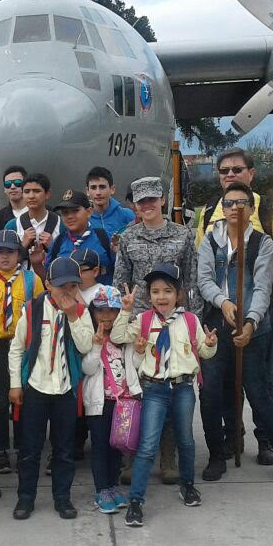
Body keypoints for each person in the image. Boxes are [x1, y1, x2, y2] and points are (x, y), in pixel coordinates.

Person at [196, 182, 273, 482]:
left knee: (258, 391)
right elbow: (204, 279)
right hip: (216, 326)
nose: (235, 208)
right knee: (211, 392)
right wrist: (223, 301)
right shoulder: (210, 241)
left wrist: (250, 323)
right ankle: (216, 454)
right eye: (229, 203)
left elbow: (264, 289)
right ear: (221, 211)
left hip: (253, 329)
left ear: (251, 209)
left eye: (242, 203)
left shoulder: (263, 245)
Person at [111, 176, 201, 484]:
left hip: (174, 323)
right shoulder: (127, 237)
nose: (147, 205)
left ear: (162, 200)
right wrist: (120, 319)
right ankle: (130, 455)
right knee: (135, 391)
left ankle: (168, 457)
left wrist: (193, 324)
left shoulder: (183, 235)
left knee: (171, 389)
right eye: (141, 201)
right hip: (140, 327)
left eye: (153, 199)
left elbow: (190, 281)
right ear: (134, 205)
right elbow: (120, 281)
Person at [112, 266, 218, 527]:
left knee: (186, 440)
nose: (161, 296)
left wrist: (210, 344)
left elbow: (202, 354)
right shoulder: (143, 320)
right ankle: (136, 500)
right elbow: (117, 336)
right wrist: (125, 310)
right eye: (155, 291)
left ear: (178, 294)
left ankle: (188, 485)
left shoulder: (190, 320)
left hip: (183, 387)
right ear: (148, 296)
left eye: (167, 291)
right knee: (147, 445)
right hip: (154, 389)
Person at [7, 257, 93, 521]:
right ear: (47, 284)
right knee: (30, 449)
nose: (66, 292)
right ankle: (25, 498)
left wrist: (72, 316)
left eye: (72, 286)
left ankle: (62, 498)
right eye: (60, 286)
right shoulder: (32, 309)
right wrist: (15, 385)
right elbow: (17, 348)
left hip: (65, 388)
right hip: (36, 386)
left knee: (64, 449)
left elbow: (85, 346)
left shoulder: (81, 310)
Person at [0, 229, 42, 477]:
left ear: (19, 254)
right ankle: (1, 449)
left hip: (22, 342)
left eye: (10, 252)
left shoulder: (30, 280)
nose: (4, 257)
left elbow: (38, 313)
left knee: (24, 396)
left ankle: (24, 447)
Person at [80, 286, 139, 514]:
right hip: (99, 403)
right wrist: (95, 347)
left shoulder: (124, 338)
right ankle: (101, 490)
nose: (105, 316)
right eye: (100, 310)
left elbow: (134, 365)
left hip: (122, 402)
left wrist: (141, 351)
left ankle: (113, 486)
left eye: (111, 311)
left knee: (117, 447)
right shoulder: (90, 336)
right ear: (92, 313)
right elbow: (88, 368)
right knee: (100, 447)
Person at [48, 190, 114, 286]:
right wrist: (36, 263)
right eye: (65, 212)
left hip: (101, 298)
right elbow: (48, 276)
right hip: (68, 298)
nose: (70, 216)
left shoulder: (104, 237)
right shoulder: (58, 242)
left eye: (75, 211)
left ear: (89, 212)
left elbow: (120, 270)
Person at [14, 174, 63, 270]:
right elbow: (3, 260)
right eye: (27, 192)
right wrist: (23, 245)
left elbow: (70, 258)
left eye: (37, 191)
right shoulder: (13, 225)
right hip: (21, 282)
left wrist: (52, 246)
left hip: (54, 281)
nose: (31, 196)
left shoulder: (61, 224)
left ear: (48, 194)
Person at [85, 166, 136, 240]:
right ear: (87, 191)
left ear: (112, 189)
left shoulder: (128, 216)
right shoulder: (83, 219)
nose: (98, 192)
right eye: (93, 187)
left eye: (102, 187)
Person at [0, 165, 29, 233]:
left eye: (17, 183)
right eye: (7, 184)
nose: (12, 187)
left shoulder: (44, 211)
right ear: (4, 189)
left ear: (27, 185)